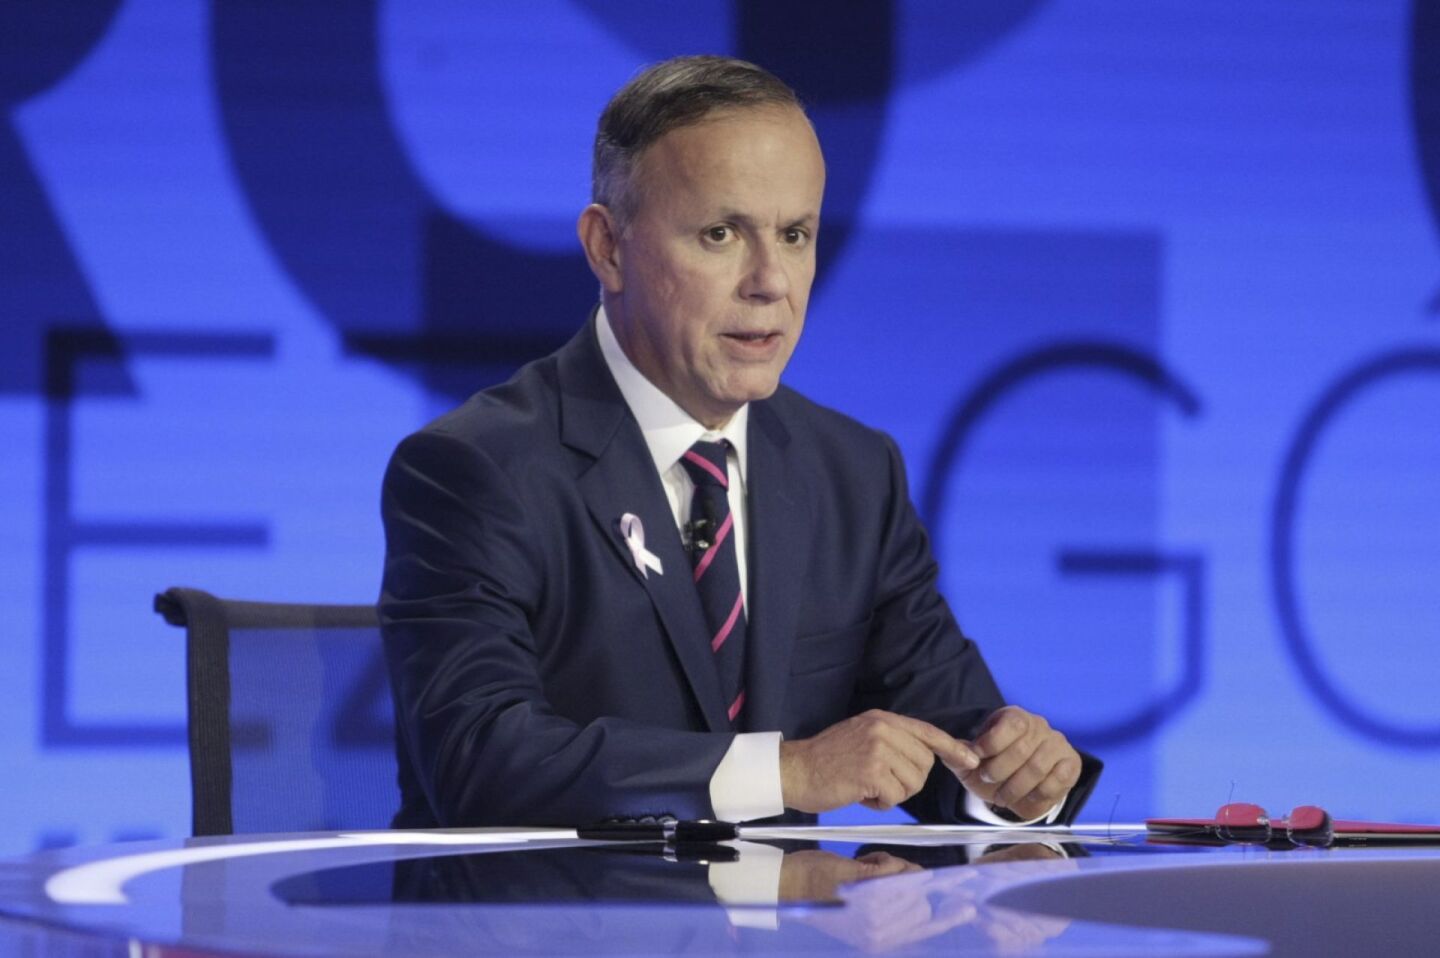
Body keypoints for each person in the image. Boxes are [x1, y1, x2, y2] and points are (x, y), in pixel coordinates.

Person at [380, 55, 1100, 830]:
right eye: (721, 234)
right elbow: (476, 757)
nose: (770, 282)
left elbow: (951, 736)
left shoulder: (852, 474)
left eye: (795, 234)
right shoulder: (479, 469)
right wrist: (787, 770)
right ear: (608, 248)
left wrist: (1020, 778)